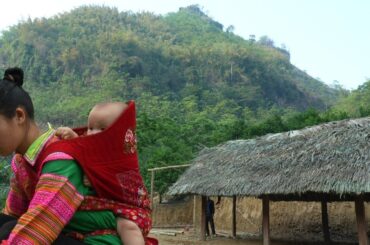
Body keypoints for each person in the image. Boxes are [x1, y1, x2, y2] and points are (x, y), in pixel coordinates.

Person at [0, 67, 154, 244]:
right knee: (6, 225)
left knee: (11, 230)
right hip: (70, 233)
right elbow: (14, 213)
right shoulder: (21, 162)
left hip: (96, 238)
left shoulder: (61, 159)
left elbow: (38, 230)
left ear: (19, 116)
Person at [55, 102, 145, 245]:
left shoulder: (120, 155)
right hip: (94, 206)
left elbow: (115, 175)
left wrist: (96, 175)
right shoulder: (88, 144)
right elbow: (80, 148)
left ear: (118, 133)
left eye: (102, 129)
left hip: (123, 209)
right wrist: (71, 136)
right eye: (90, 128)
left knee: (129, 227)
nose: (93, 133)